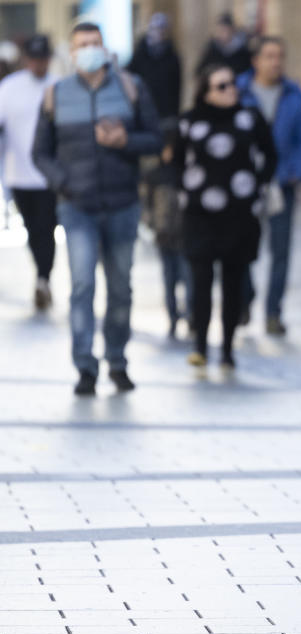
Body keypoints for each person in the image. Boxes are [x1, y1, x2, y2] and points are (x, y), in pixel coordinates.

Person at [32, 22, 162, 396]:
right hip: (77, 207)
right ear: (71, 53)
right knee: (82, 285)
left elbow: (155, 139)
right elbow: (40, 153)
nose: (88, 49)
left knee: (121, 288)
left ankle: (117, 360)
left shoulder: (130, 87)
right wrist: (63, 182)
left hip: (122, 204)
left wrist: (126, 141)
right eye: (81, 44)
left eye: (94, 43)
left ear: (105, 49)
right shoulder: (57, 94)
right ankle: (85, 365)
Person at [176, 64, 277, 369]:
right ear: (205, 92)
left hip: (240, 215)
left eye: (232, 83)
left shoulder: (249, 118)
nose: (230, 89)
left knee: (234, 284)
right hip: (199, 216)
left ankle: (228, 350)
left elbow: (270, 153)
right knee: (201, 282)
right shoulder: (189, 121)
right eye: (222, 86)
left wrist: (258, 184)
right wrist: (184, 188)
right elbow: (175, 161)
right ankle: (200, 347)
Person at [237, 36, 301, 336]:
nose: (275, 62)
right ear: (256, 60)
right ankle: (244, 299)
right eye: (269, 56)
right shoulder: (239, 90)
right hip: (246, 183)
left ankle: (273, 313)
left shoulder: (293, 94)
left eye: (279, 56)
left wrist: (297, 171)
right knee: (242, 247)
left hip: (282, 182)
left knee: (280, 251)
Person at [0, 34, 58, 311]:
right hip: (18, 173)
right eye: (34, 59)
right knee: (33, 230)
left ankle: (43, 278)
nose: (38, 65)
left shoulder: (58, 86)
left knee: (47, 228)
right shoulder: (9, 88)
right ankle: (42, 274)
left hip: (49, 174)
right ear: (26, 60)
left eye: (43, 59)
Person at [143, 123, 193, 338]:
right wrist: (153, 225)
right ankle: (173, 317)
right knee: (170, 277)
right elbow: (146, 205)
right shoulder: (154, 176)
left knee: (186, 277)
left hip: (184, 234)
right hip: (164, 234)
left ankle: (190, 316)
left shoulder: (187, 173)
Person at [127, 13, 182, 124]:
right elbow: (130, 76)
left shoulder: (172, 55)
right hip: (142, 108)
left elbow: (177, 86)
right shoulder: (140, 53)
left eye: (162, 29)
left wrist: (174, 112)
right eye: (155, 28)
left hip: (166, 111)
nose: (158, 32)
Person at [196, 13, 251, 77]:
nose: (223, 34)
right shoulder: (212, 47)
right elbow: (201, 69)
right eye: (221, 30)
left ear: (232, 30)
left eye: (225, 30)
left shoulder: (242, 47)